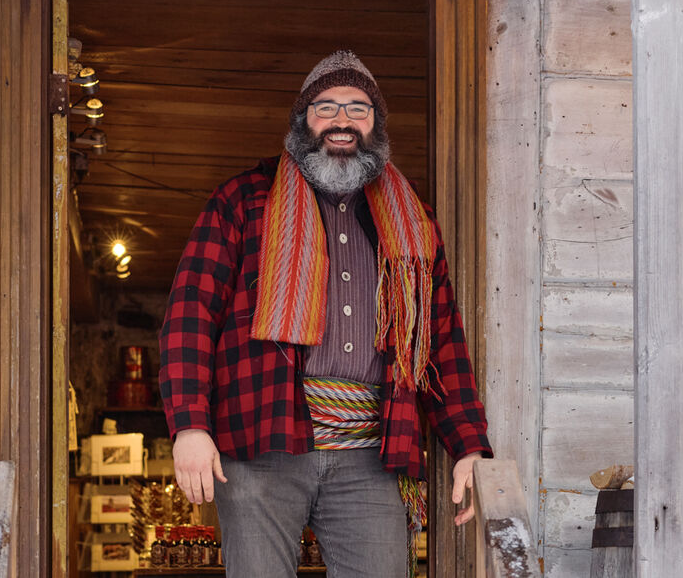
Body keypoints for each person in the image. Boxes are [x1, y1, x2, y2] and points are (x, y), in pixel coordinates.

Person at [159, 50, 492, 578]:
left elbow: (441, 343)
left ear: (376, 126)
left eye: (359, 109)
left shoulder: (414, 219)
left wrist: (470, 446)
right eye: (326, 106)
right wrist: (190, 428)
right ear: (302, 122)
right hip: (259, 444)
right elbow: (188, 319)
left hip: (371, 454)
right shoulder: (243, 201)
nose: (342, 121)